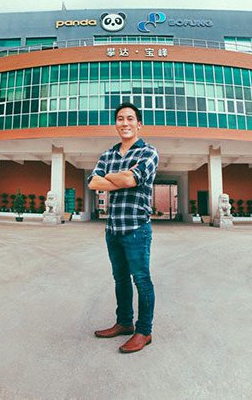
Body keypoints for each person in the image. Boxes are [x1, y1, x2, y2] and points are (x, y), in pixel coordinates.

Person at [88, 102, 159, 353]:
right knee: (120, 279)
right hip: (113, 228)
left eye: (130, 118)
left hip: (137, 227)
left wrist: (113, 179)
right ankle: (124, 323)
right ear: (116, 124)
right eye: (120, 119)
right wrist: (121, 179)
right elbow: (93, 182)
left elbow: (132, 178)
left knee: (141, 279)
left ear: (139, 124)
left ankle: (144, 331)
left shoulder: (148, 153)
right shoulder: (108, 155)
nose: (125, 123)